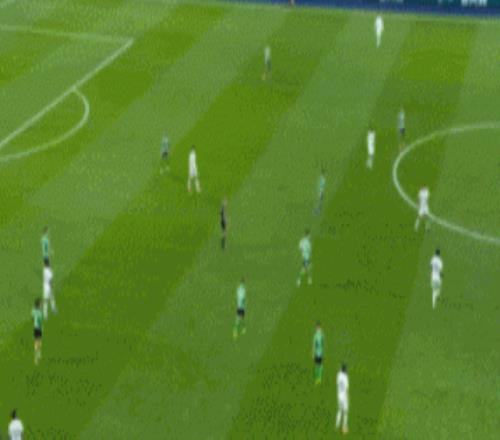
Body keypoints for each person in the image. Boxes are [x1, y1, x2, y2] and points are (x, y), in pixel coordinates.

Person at [335, 364, 349, 434]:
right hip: (344, 396)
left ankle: (337, 425)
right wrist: (347, 396)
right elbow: (346, 388)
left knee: (339, 410)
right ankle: (344, 427)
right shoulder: (345, 377)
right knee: (345, 411)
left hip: (339, 395)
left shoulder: (338, 375)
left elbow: (337, 383)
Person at [32, 298, 43, 365]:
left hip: (35, 328)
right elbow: (40, 321)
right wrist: (41, 328)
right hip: (39, 328)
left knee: (37, 342)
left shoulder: (33, 311)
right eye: (41, 304)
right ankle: (37, 356)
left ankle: (38, 355)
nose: (42, 305)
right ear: (38, 305)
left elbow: (33, 316)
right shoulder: (39, 313)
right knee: (38, 342)